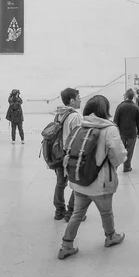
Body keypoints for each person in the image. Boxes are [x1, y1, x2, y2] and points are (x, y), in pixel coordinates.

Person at [57, 95, 127, 259]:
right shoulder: (109, 129)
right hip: (100, 183)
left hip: (79, 181)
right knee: (106, 212)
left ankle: (66, 245)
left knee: (77, 214)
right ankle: (110, 237)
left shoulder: (81, 125)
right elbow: (119, 156)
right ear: (106, 109)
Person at [53, 88, 83, 222]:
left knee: (60, 183)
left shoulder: (59, 114)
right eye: (78, 97)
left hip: (58, 153)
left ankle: (59, 210)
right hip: (70, 155)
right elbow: (78, 137)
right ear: (72, 100)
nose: (80, 99)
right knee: (77, 183)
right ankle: (71, 211)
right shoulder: (75, 116)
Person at [113, 89, 139, 172]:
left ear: (125, 96)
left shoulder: (120, 106)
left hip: (121, 133)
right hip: (132, 133)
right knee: (129, 151)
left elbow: (116, 120)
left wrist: (115, 131)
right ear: (132, 97)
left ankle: (114, 168)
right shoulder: (136, 107)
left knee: (119, 151)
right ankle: (127, 167)